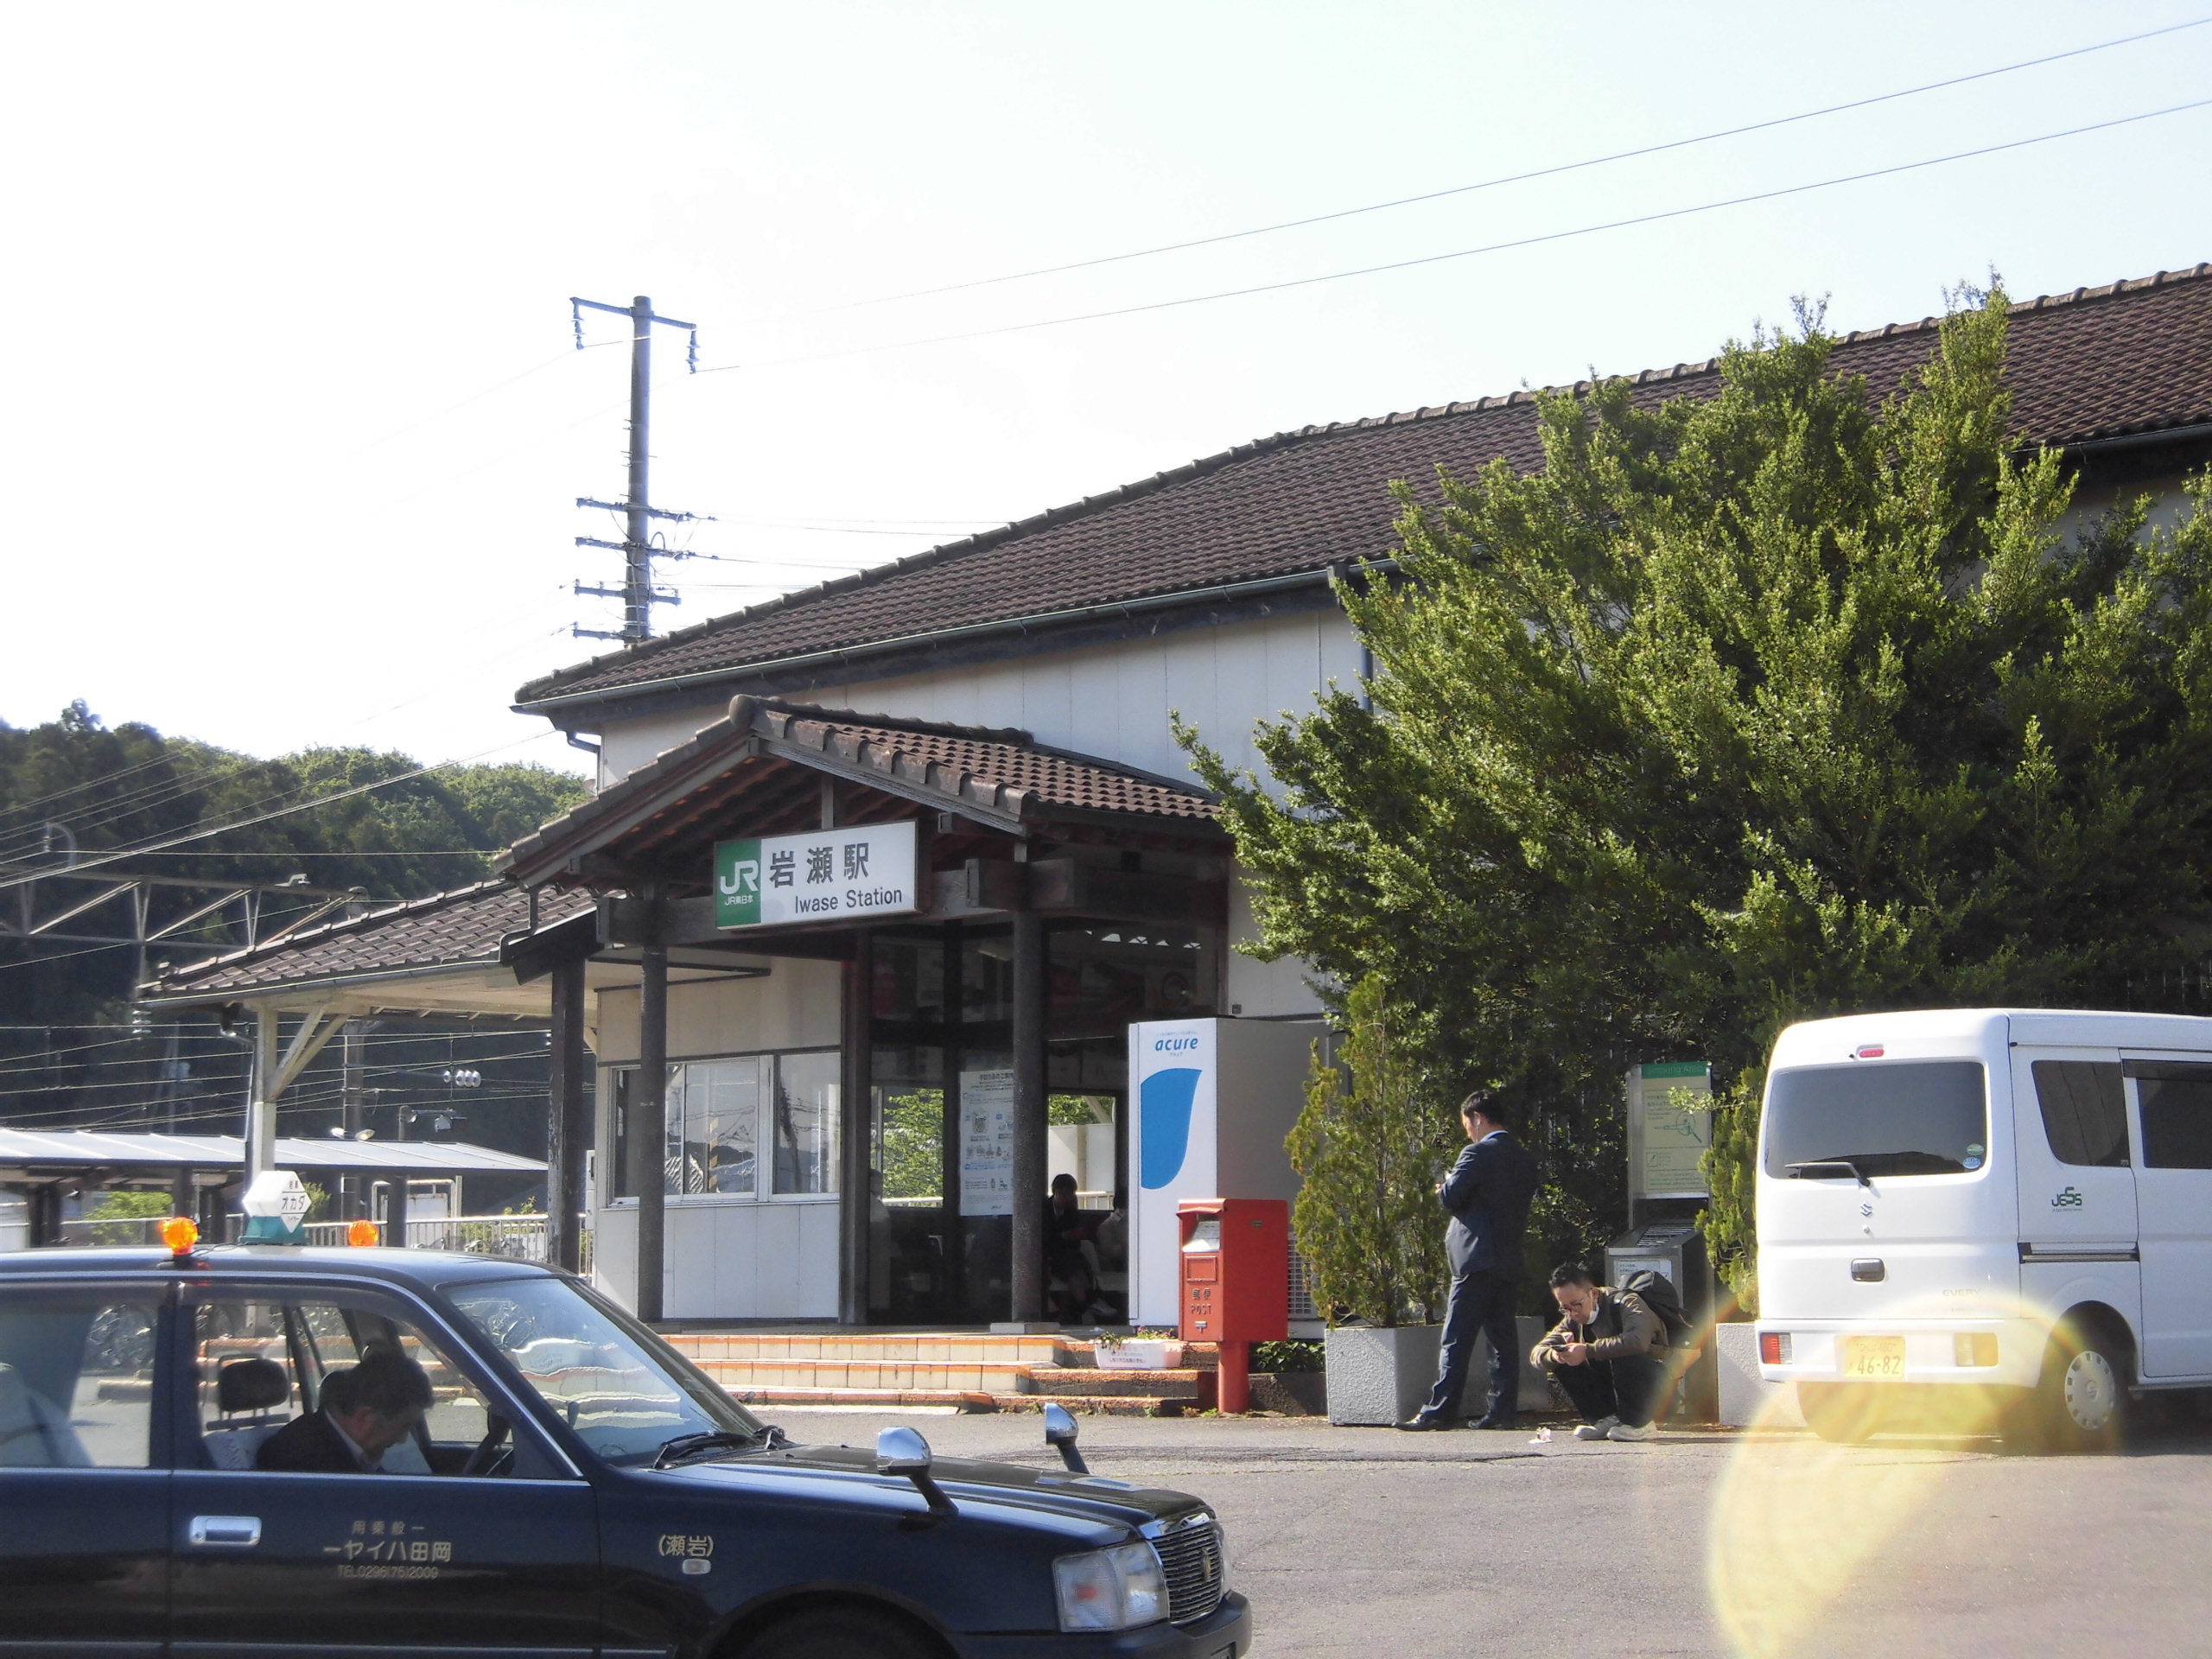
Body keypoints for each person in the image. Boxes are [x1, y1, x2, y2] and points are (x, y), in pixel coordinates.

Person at [1401, 1090, 1541, 1431]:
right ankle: (1502, 1413)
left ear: (1477, 1118)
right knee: (1502, 1341)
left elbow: (1452, 1197)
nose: (1467, 1133)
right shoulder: (1524, 1158)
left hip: (1476, 1259)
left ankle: (1439, 1411)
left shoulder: (1476, 1153)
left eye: (1467, 1125)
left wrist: (1446, 1184)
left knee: (1456, 1339)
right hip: (1507, 1259)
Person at [1531, 1262, 1669, 1442]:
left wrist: (1587, 1350)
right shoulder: (1571, 1319)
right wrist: (1556, 1355)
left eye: (1576, 1304)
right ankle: (1605, 1418)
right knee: (1564, 1358)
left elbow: (1638, 1341)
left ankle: (1640, 1423)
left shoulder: (1626, 1302)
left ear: (1594, 1294)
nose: (1572, 1313)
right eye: (1565, 1308)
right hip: (1614, 1382)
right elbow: (1537, 1352)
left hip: (1656, 1379)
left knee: (1623, 1350)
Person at [256, 1343, 434, 1473]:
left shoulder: (347, 1450)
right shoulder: (301, 1463)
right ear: (364, 1418)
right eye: (404, 1427)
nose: (403, 1439)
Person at [1044, 1173, 1104, 1321]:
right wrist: (1061, 1236)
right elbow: (1041, 1236)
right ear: (1055, 1191)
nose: (1066, 1199)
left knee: (1077, 1271)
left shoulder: (1072, 1212)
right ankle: (1086, 1305)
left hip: (1067, 1253)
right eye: (1063, 1194)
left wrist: (1073, 1236)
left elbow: (1076, 1239)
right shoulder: (1043, 1209)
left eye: (1070, 1195)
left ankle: (1083, 1307)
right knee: (1073, 1269)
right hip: (1047, 1253)